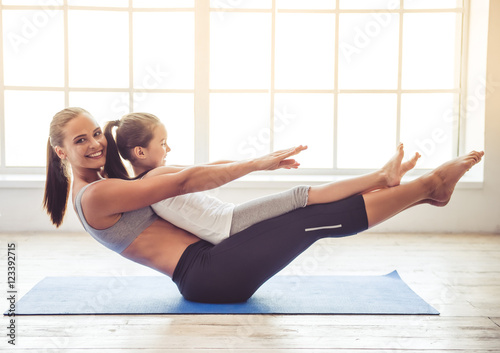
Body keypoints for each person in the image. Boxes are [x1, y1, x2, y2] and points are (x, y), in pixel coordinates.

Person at [43, 107, 484, 304]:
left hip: (211, 267)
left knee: (306, 213)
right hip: (209, 275)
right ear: (61, 152)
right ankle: (430, 185)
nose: (95, 143)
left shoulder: (111, 184)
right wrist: (258, 163)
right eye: (80, 140)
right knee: (312, 216)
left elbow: (192, 168)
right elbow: (185, 179)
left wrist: (251, 165)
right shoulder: (97, 195)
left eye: (96, 133)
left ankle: (427, 190)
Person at [102, 112, 421, 244]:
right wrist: (258, 164)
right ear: (140, 152)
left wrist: (262, 161)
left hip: (226, 220)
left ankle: (383, 180)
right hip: (225, 226)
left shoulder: (156, 175)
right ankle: (382, 176)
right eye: (162, 143)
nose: (168, 147)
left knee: (302, 198)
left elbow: (210, 167)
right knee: (300, 195)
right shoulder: (151, 181)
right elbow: (208, 176)